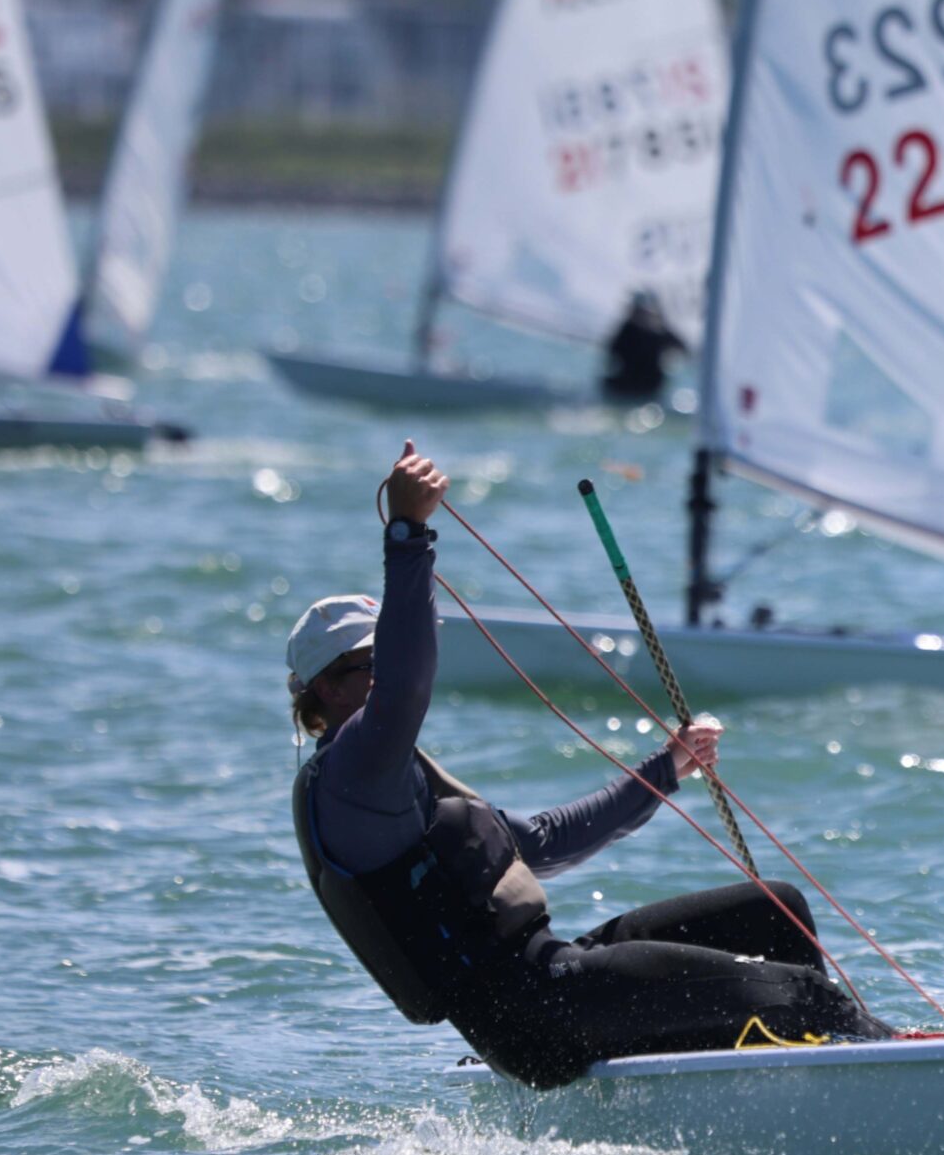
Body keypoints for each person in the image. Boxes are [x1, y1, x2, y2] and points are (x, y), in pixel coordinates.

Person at [288, 440, 892, 1088]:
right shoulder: (353, 773)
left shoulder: (394, 778)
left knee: (774, 911)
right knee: (798, 992)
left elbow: (545, 841)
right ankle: (894, 1064)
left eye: (384, 657)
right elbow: (407, 682)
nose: (386, 671)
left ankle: (795, 1081)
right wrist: (409, 534)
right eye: (371, 662)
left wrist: (667, 768)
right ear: (326, 690)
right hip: (534, 1012)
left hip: (549, 980)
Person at [601, 291, 684, 404]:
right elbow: (612, 354)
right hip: (624, 387)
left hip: (648, 390)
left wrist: (662, 325)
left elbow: (682, 348)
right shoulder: (626, 331)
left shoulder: (659, 333)